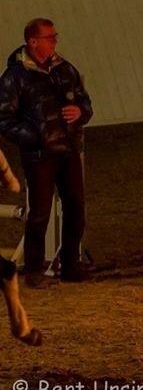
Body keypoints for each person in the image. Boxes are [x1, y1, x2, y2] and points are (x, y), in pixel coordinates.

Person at [0, 18, 92, 286]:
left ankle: (71, 265)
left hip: (69, 149)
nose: (55, 41)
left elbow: (84, 100)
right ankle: (34, 271)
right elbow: (4, 119)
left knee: (75, 207)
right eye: (50, 37)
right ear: (33, 42)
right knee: (39, 213)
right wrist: (35, 138)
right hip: (39, 155)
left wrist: (81, 112)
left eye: (55, 36)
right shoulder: (14, 77)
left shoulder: (65, 69)